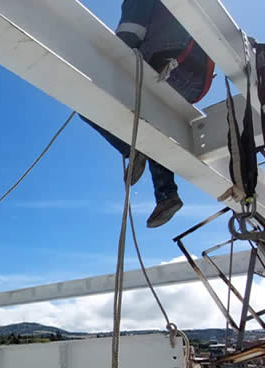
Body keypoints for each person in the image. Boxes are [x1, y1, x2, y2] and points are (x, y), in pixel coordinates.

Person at [83, 0, 215, 228]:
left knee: (85, 101)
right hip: (192, 80)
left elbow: (129, 35)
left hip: (167, 66)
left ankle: (132, 150)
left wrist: (107, 66)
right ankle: (166, 195)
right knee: (154, 124)